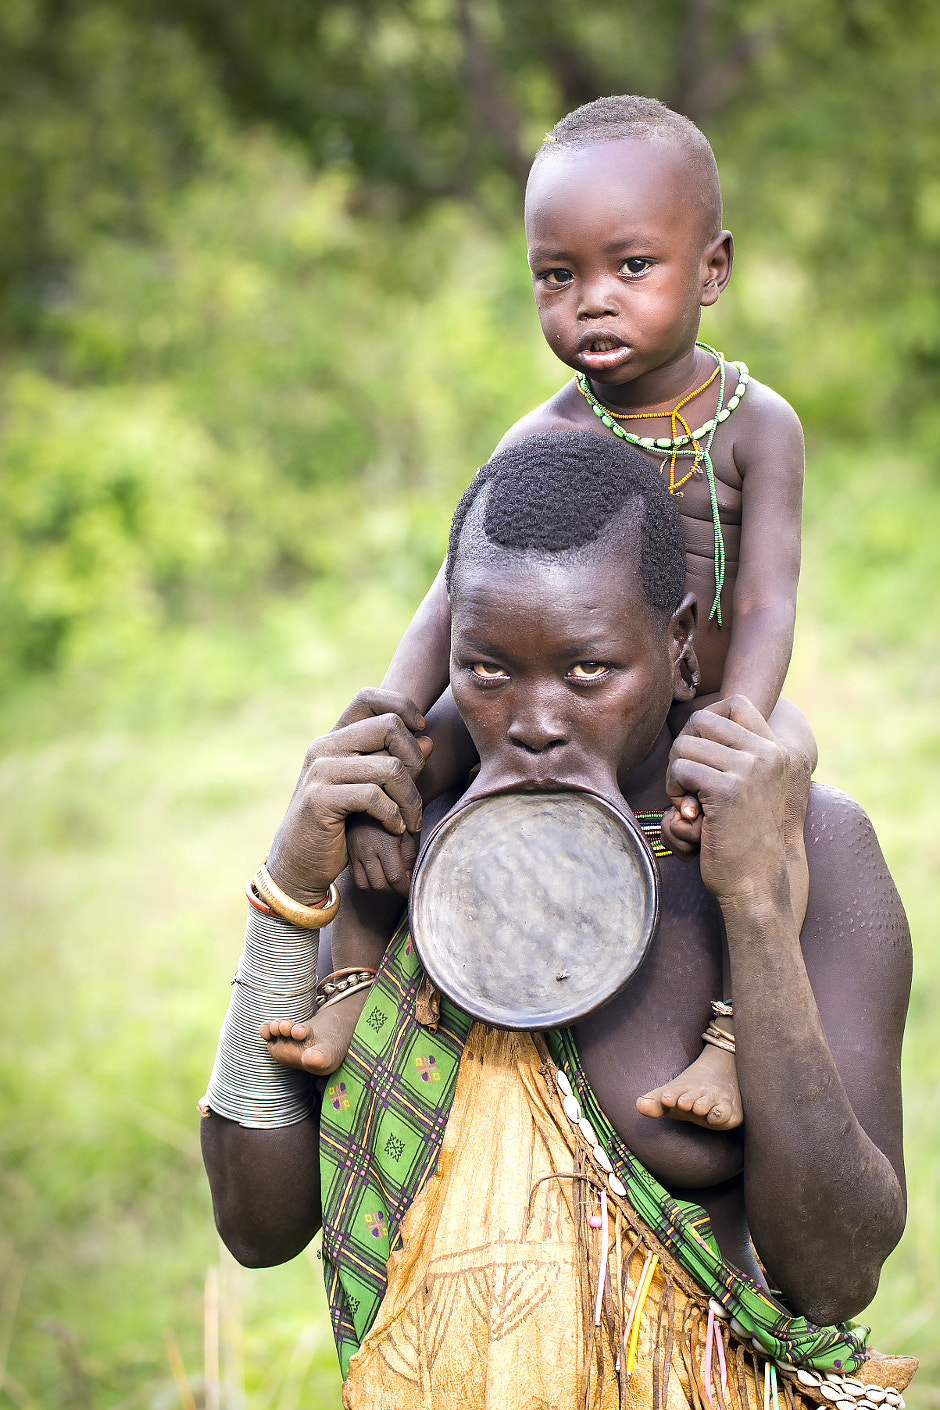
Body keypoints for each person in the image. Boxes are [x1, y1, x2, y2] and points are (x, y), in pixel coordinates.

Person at [200, 433, 931, 1410]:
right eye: (488, 671)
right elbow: (256, 1220)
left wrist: (750, 902)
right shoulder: (403, 860)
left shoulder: (808, 850)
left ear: (682, 648)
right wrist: (292, 889)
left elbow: (837, 1273)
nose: (533, 719)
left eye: (588, 671)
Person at [325, 95, 812, 1132]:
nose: (592, 302)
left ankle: (731, 1041)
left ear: (712, 269)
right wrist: (391, 715)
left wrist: (742, 723)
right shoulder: (537, 433)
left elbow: (767, 598)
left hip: (700, 708)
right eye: (559, 276)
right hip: (551, 698)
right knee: (392, 782)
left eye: (631, 268)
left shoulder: (756, 427)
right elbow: (450, 594)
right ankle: (351, 985)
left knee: (785, 790)